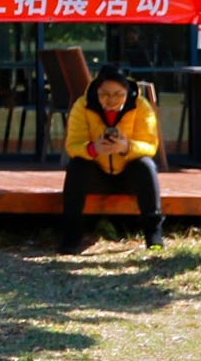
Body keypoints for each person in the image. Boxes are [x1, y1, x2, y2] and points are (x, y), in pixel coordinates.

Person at [60, 65, 163, 252]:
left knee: (146, 166)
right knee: (76, 166)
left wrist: (126, 147)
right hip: (97, 171)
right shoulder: (82, 105)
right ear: (96, 91)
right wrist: (93, 149)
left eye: (118, 94)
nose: (112, 100)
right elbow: (72, 145)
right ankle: (70, 239)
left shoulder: (141, 106)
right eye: (104, 94)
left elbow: (150, 145)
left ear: (127, 92)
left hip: (128, 172)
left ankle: (154, 237)